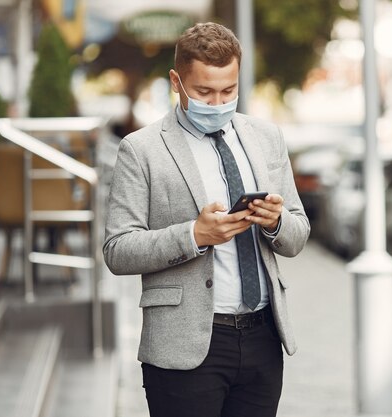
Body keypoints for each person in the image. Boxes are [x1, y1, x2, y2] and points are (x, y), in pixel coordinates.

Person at [103, 22, 310, 417]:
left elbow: (297, 235)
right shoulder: (141, 149)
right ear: (176, 81)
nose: (217, 103)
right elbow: (117, 250)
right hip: (184, 345)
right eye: (204, 92)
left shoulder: (266, 137)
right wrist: (194, 235)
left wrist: (275, 221)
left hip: (263, 337)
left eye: (228, 91)